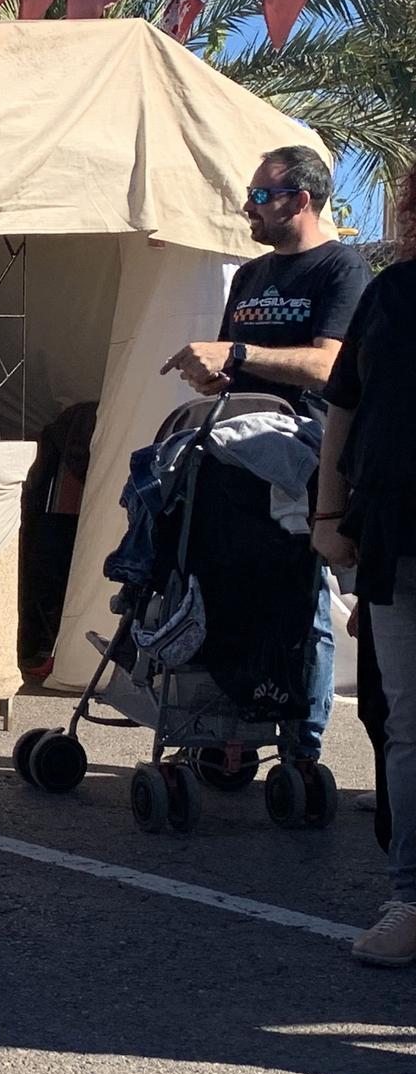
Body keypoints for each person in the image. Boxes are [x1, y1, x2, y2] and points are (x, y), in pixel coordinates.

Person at [162, 145, 368, 771]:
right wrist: (209, 373)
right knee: (229, 576)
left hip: (306, 448)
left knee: (302, 590)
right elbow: (233, 359)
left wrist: (239, 356)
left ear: (299, 200)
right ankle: (229, 723)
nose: (246, 207)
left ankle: (302, 747)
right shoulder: (251, 276)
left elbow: (332, 365)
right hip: (236, 444)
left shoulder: (342, 269)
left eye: (259, 195)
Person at [313, 162, 416, 967]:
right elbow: (343, 409)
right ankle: (409, 898)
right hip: (395, 538)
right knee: (406, 727)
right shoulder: (390, 295)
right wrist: (326, 511)